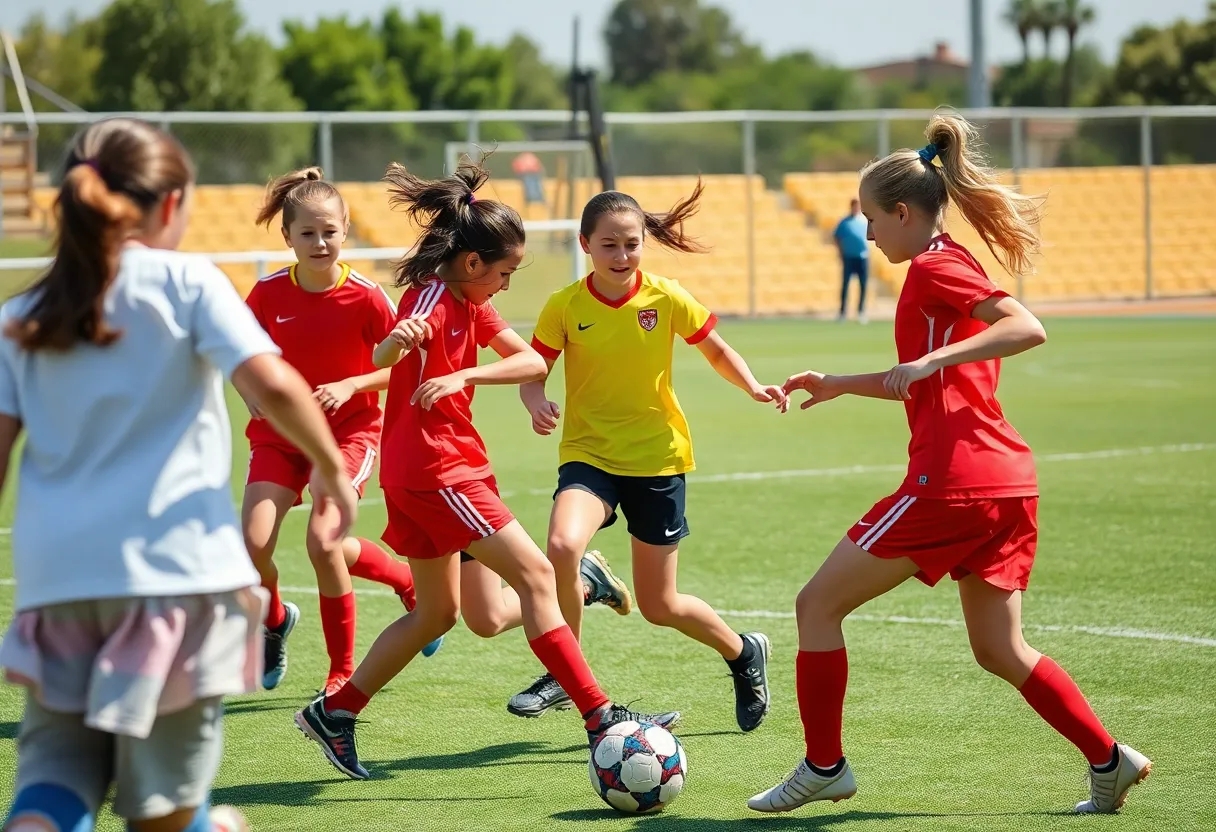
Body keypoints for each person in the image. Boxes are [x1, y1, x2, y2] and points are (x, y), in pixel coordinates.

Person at [748, 113, 1151, 814]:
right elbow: (917, 375)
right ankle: (1109, 760)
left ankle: (824, 765)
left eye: (873, 220)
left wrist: (935, 356)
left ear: (902, 212)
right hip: (1007, 485)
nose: (868, 234)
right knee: (1000, 649)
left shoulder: (936, 267)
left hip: (953, 485)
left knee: (816, 605)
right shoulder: (948, 260)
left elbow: (1026, 326)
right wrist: (843, 383)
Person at [0, 118, 356, 832]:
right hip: (172, 581)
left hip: (57, 585)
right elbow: (277, 385)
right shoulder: (189, 282)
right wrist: (331, 471)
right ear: (170, 207)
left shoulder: (22, 315)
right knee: (162, 807)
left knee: (56, 784)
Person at [295, 160, 677, 781]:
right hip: (440, 470)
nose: (506, 284)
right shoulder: (430, 299)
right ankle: (600, 715)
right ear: (473, 264)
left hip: (431, 471)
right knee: (533, 576)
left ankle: (335, 713)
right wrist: (402, 341)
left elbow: (529, 363)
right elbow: (384, 349)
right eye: (504, 273)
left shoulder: (468, 300)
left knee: (439, 614)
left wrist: (467, 373)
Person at [509, 181, 788, 733]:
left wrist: (752, 385)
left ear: (644, 243)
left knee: (660, 606)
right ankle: (568, 678)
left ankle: (741, 653)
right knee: (562, 544)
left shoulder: (666, 296)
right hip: (589, 455)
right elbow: (532, 369)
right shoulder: (565, 305)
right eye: (609, 244)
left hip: (658, 460)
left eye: (632, 244)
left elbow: (716, 348)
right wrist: (536, 401)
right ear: (585, 243)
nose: (622, 255)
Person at [243, 167, 441, 696]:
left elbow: (400, 366)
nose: (319, 241)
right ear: (287, 237)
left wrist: (353, 385)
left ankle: (340, 672)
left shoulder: (367, 296)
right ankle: (276, 618)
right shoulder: (265, 294)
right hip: (280, 436)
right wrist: (251, 392)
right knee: (253, 544)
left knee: (323, 541)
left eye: (329, 231)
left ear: (346, 229)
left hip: (348, 436)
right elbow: (238, 356)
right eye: (307, 233)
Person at [833, 197, 870, 323]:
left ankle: (860, 311)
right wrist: (841, 253)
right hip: (849, 257)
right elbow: (837, 238)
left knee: (863, 285)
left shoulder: (864, 221)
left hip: (863, 257)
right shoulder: (844, 222)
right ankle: (843, 312)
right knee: (845, 285)